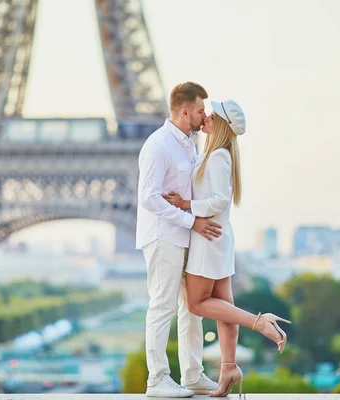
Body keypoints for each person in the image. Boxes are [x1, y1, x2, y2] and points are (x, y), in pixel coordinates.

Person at [164, 100, 291, 397]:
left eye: (212, 113)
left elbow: (220, 200)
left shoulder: (219, 156)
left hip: (209, 238)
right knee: (225, 308)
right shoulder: (214, 154)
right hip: (218, 238)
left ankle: (259, 322)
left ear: (221, 123)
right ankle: (229, 367)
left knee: (196, 304)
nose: (206, 115)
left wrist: (185, 205)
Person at [136, 82, 223, 398]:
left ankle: (192, 374)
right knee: (162, 305)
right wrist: (191, 221)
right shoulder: (158, 145)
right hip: (164, 236)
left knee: (192, 307)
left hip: (185, 236)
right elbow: (148, 197)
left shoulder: (189, 143)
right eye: (201, 110)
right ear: (185, 111)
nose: (205, 115)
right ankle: (156, 379)